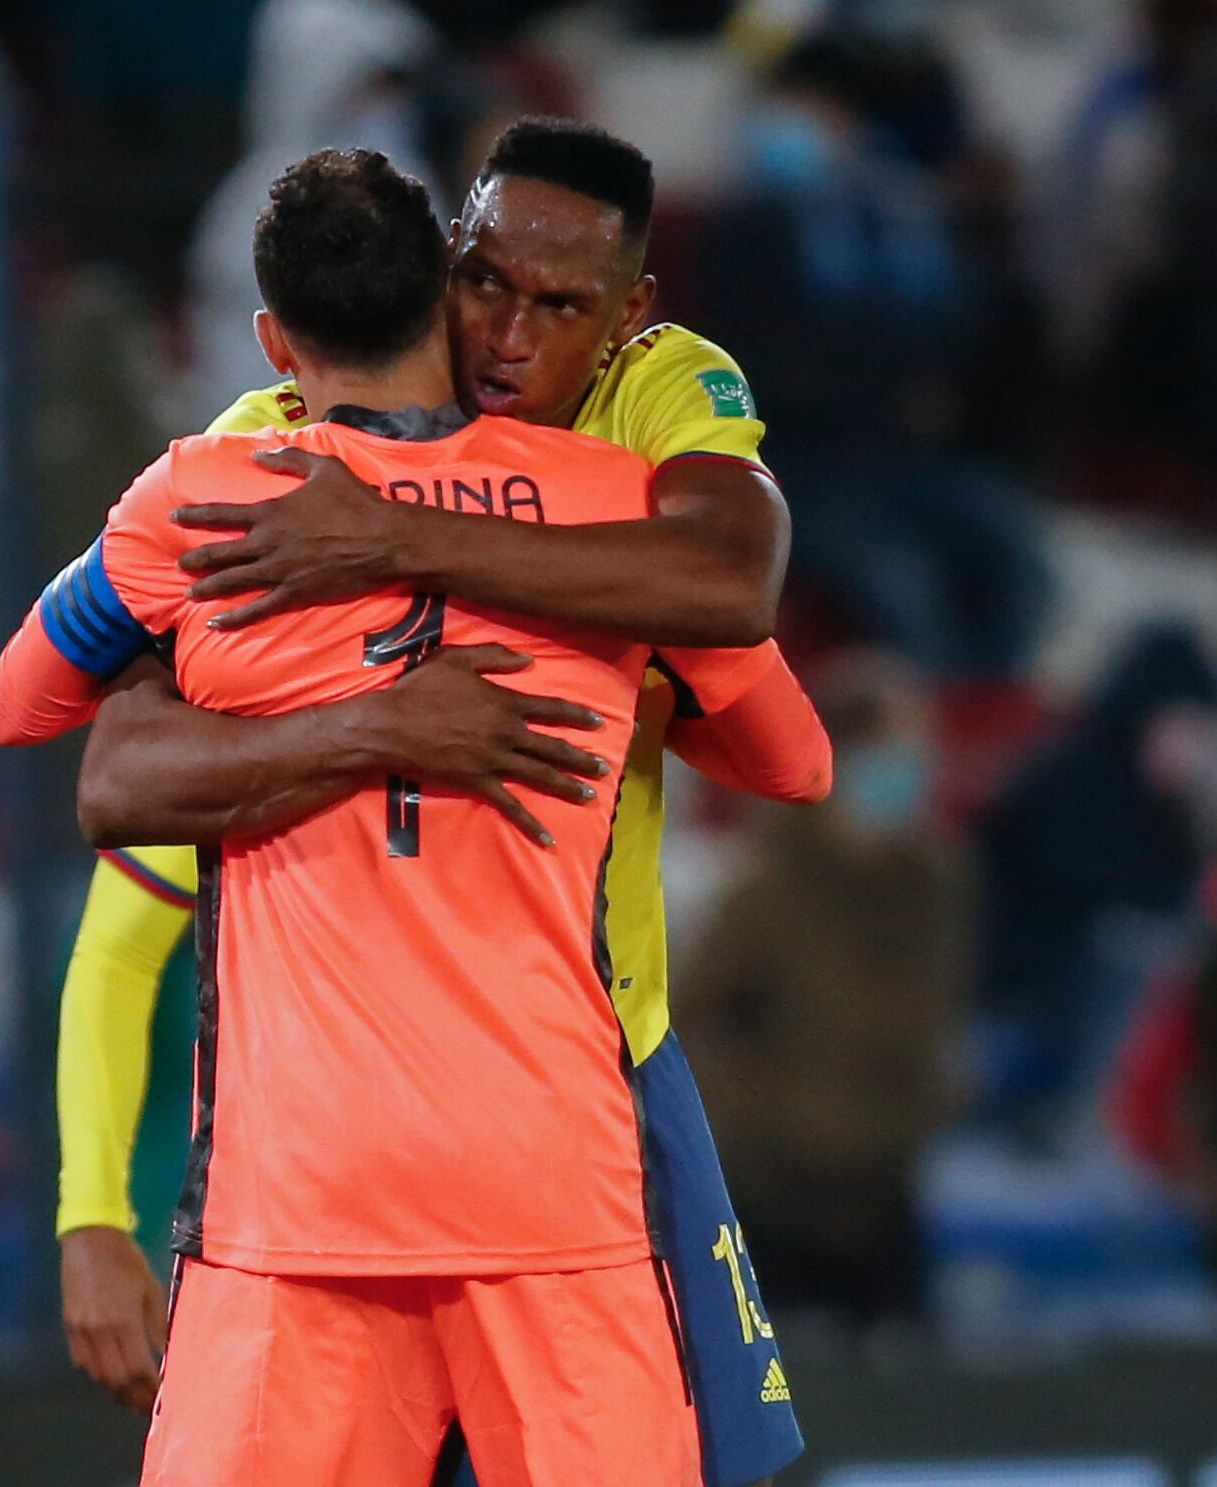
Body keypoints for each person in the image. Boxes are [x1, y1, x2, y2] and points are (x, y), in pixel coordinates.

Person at [50, 119, 824, 1487]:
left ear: (628, 317)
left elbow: (776, 712)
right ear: (434, 264)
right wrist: (86, 1212)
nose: (506, 334)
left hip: (593, 1070)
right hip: (346, 1134)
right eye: (481, 283)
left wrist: (406, 539)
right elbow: (119, 866)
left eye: (557, 305)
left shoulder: (658, 396)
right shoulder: (274, 448)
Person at [680, 653, 971, 1333]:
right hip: (774, 1194)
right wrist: (765, 1111)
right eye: (890, 750)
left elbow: (935, 1014)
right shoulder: (767, 886)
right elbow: (689, 1022)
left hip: (885, 1190)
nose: (908, 769)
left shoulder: (937, 885)